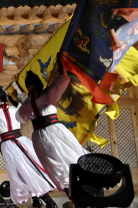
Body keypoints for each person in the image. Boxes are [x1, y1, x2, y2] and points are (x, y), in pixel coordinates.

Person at [0, 87, 59, 208]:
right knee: (27, 171)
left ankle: (50, 202)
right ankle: (36, 200)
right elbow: (23, 111)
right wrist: (15, 101)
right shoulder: (14, 109)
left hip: (10, 146)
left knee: (24, 173)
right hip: (21, 141)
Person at [14, 56, 88, 197]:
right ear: (38, 83)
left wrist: (19, 91)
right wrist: (61, 61)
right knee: (74, 158)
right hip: (55, 130)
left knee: (56, 168)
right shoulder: (48, 93)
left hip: (39, 137)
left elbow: (20, 118)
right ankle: (85, 192)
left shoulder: (26, 105)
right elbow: (64, 78)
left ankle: (73, 197)